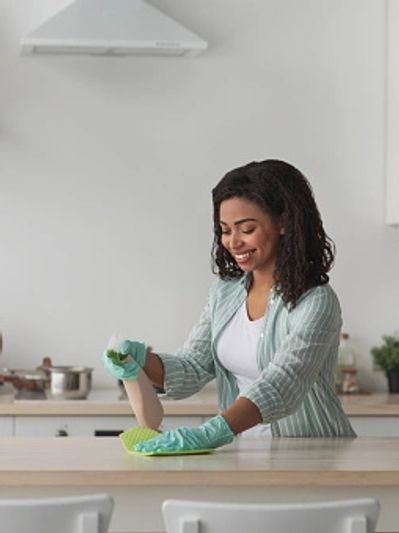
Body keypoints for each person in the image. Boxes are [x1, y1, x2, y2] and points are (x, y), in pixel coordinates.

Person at [103, 159, 356, 454]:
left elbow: (284, 384)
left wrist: (213, 431)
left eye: (246, 229)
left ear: (284, 223)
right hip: (244, 454)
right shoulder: (224, 294)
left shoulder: (316, 302)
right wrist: (140, 361)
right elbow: (192, 368)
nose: (233, 242)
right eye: (225, 230)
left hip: (313, 454)